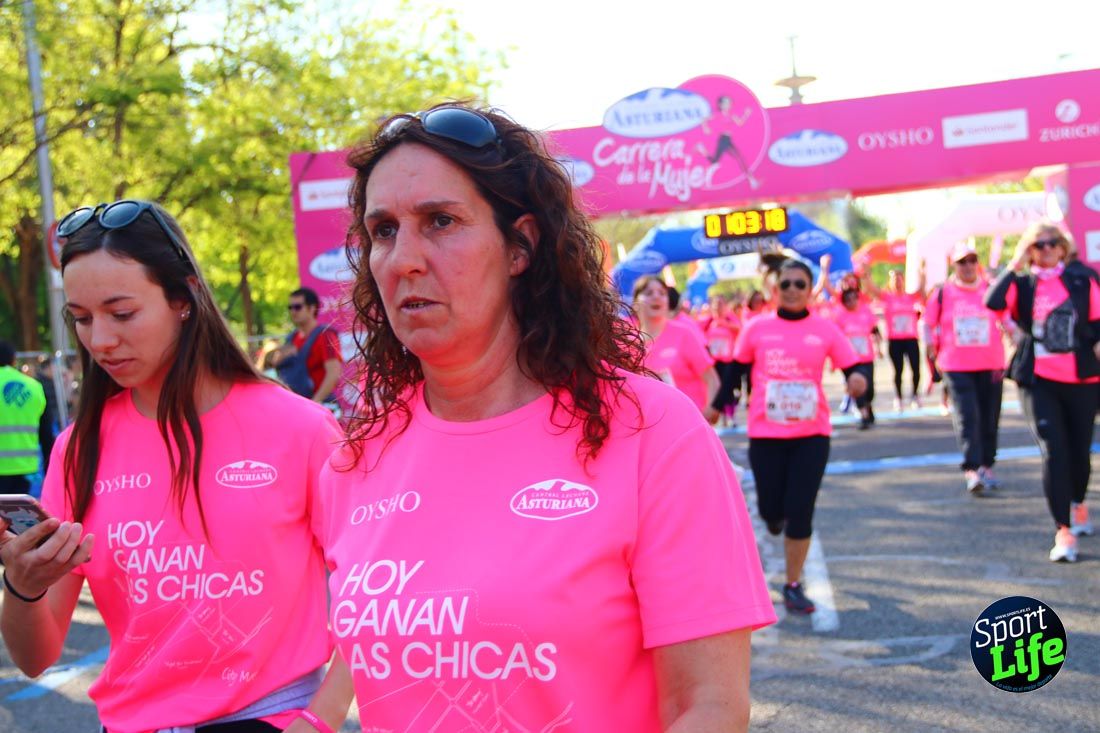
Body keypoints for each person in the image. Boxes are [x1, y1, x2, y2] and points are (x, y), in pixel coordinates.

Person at [316, 103, 775, 731]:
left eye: (441, 221)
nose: (403, 259)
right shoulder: (357, 454)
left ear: (521, 246)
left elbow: (709, 707)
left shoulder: (651, 431)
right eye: (384, 230)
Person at [0, 200, 351, 732]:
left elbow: (380, 598)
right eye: (82, 319)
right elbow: (35, 655)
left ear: (183, 297)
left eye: (122, 314)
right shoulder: (79, 448)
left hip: (269, 718)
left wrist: (318, 721)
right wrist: (22, 586)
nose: (100, 340)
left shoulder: (299, 429)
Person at [722, 259, 866, 614]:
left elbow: (853, 366)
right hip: (766, 435)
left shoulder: (825, 329)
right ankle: (774, 517)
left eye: (799, 284)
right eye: (785, 284)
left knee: (800, 509)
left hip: (811, 435)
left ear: (809, 289)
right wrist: (714, 407)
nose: (791, 290)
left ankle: (792, 584)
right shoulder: (756, 329)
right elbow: (735, 372)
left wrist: (858, 380)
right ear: (775, 289)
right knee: (772, 509)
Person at [985, 222, 1100, 562]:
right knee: (1054, 449)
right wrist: (1015, 262)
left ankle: (1078, 504)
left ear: (1063, 247)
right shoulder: (1022, 283)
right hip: (1038, 379)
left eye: (1052, 243)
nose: (1046, 249)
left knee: (1080, 450)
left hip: (1082, 379)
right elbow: (992, 302)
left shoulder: (1081, 279)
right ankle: (1062, 530)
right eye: (1038, 245)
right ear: (1029, 250)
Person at [923, 242, 1011, 494]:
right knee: (967, 416)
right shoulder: (942, 293)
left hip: (991, 363)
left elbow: (1006, 318)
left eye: (972, 261)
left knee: (990, 415)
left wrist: (1017, 337)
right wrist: (929, 346)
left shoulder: (990, 290)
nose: (969, 266)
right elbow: (927, 323)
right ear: (954, 266)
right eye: (963, 262)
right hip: (956, 365)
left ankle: (987, 464)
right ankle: (972, 468)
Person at [633, 276, 721, 413]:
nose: (656, 297)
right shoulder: (628, 342)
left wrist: (709, 409)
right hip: (650, 425)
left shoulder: (684, 334)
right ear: (635, 303)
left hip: (687, 422)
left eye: (662, 293)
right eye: (649, 293)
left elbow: (712, 379)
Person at [866, 268, 926, 412]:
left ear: (903, 281)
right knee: (898, 371)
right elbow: (872, 289)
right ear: (890, 282)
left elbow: (922, 289)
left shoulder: (910, 297)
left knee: (916, 369)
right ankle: (898, 398)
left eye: (899, 279)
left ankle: (915, 395)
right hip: (895, 340)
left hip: (911, 339)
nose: (897, 282)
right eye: (894, 279)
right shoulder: (887, 297)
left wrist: (922, 271)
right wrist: (867, 275)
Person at [273, 287, 343, 404]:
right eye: (290, 307)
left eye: (298, 307)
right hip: (297, 405)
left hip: (321, 405)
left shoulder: (326, 335)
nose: (293, 311)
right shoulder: (291, 338)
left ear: (312, 308)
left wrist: (315, 402)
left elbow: (334, 373)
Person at [832, 286, 882, 429]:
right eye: (848, 300)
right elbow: (835, 340)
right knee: (857, 386)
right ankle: (864, 415)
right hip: (849, 360)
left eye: (854, 298)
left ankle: (868, 406)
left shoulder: (865, 312)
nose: (852, 302)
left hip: (866, 357)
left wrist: (879, 348)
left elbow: (875, 330)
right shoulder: (839, 317)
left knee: (870, 388)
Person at [0, 340, 46, 494]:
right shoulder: (34, 386)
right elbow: (45, 433)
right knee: (18, 516)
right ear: (13, 360)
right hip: (27, 468)